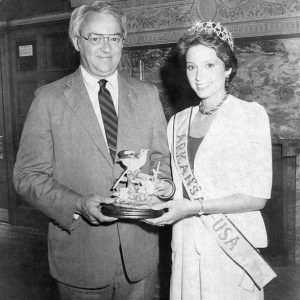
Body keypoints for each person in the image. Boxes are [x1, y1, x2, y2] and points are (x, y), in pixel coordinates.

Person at [13, 2, 174, 299]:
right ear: (76, 41)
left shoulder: (147, 95)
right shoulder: (48, 100)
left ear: (123, 42)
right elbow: (27, 176)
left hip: (140, 259)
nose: (106, 48)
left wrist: (163, 187)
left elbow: (160, 160)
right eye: (95, 38)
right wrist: (78, 204)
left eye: (114, 38)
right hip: (80, 258)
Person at [147, 21, 276, 299]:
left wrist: (194, 207)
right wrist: (163, 191)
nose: (199, 76)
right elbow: (177, 186)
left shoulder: (250, 115)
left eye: (210, 65)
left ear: (228, 67)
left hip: (231, 249)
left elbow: (257, 198)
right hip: (186, 248)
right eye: (192, 67)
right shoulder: (177, 122)